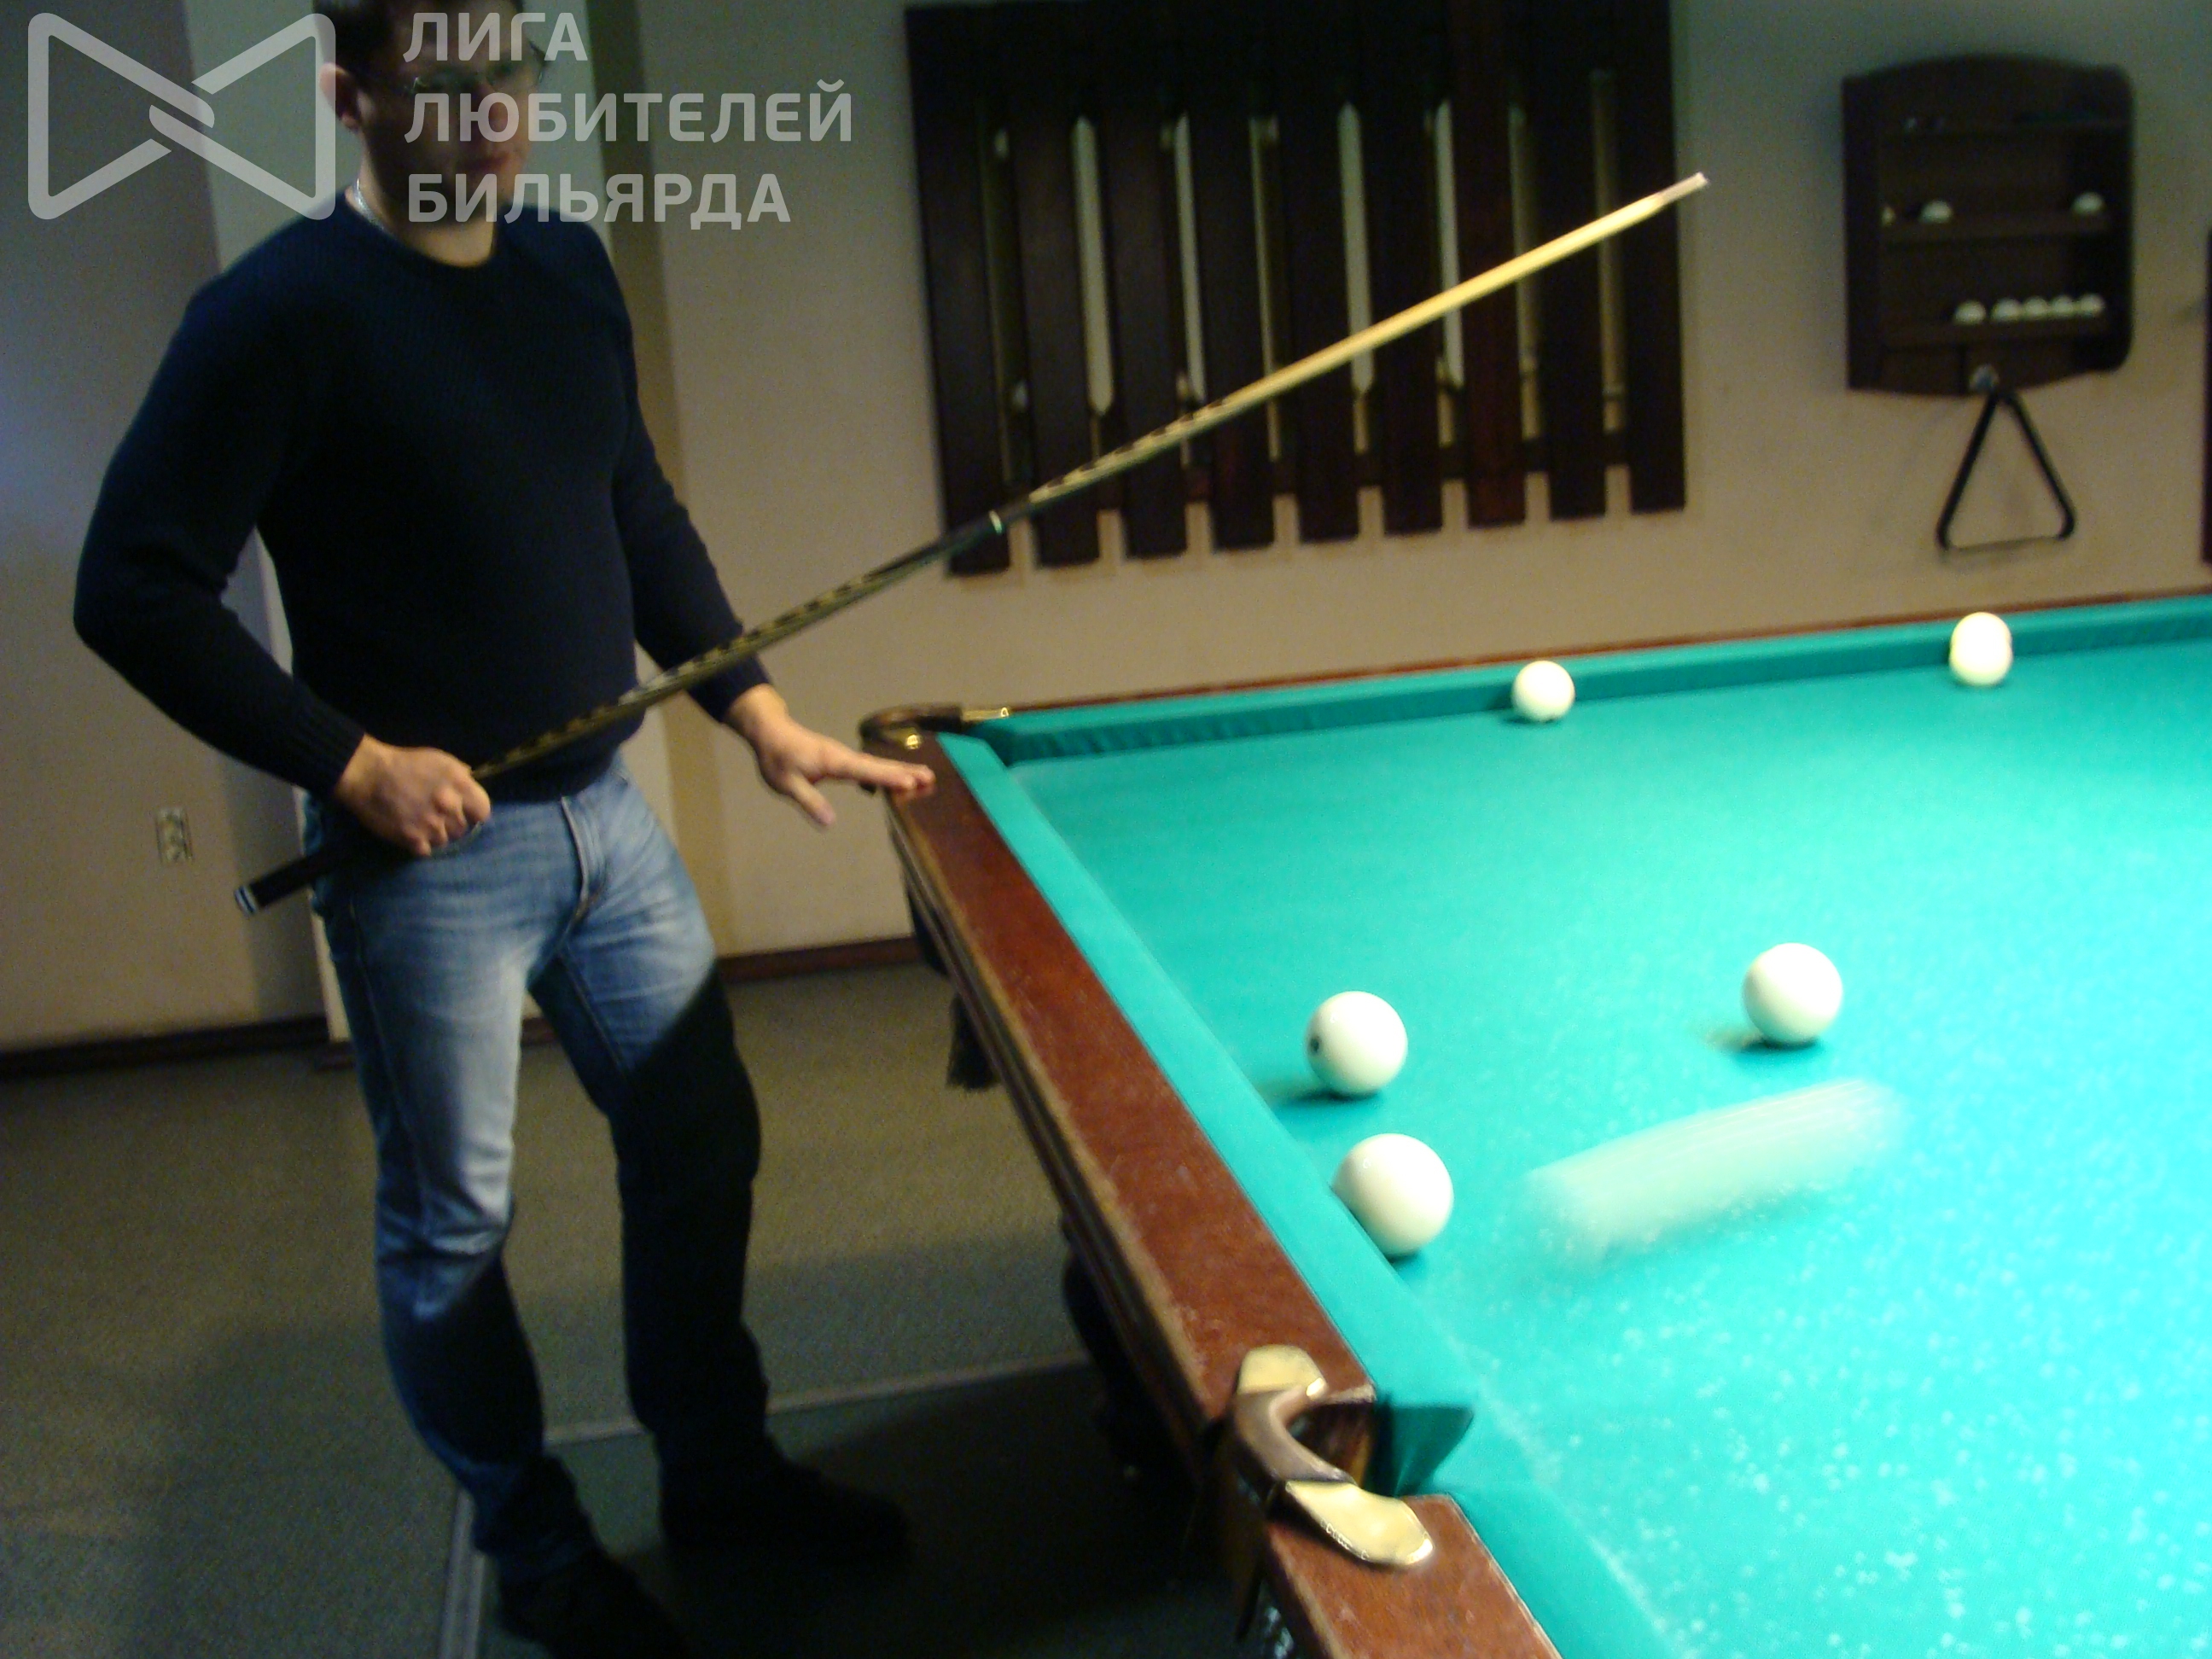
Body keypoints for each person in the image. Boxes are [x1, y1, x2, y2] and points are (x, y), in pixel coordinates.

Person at [73, 3, 934, 1653]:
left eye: (510, 74)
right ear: (350, 95)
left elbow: (636, 511)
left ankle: (717, 1473)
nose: (489, 115)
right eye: (445, 84)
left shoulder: (566, 268)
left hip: (611, 825)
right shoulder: (278, 316)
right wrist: (349, 764)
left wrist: (750, 709)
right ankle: (538, 1557)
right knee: (453, 1231)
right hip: (427, 873)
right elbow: (132, 586)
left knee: (700, 1145)